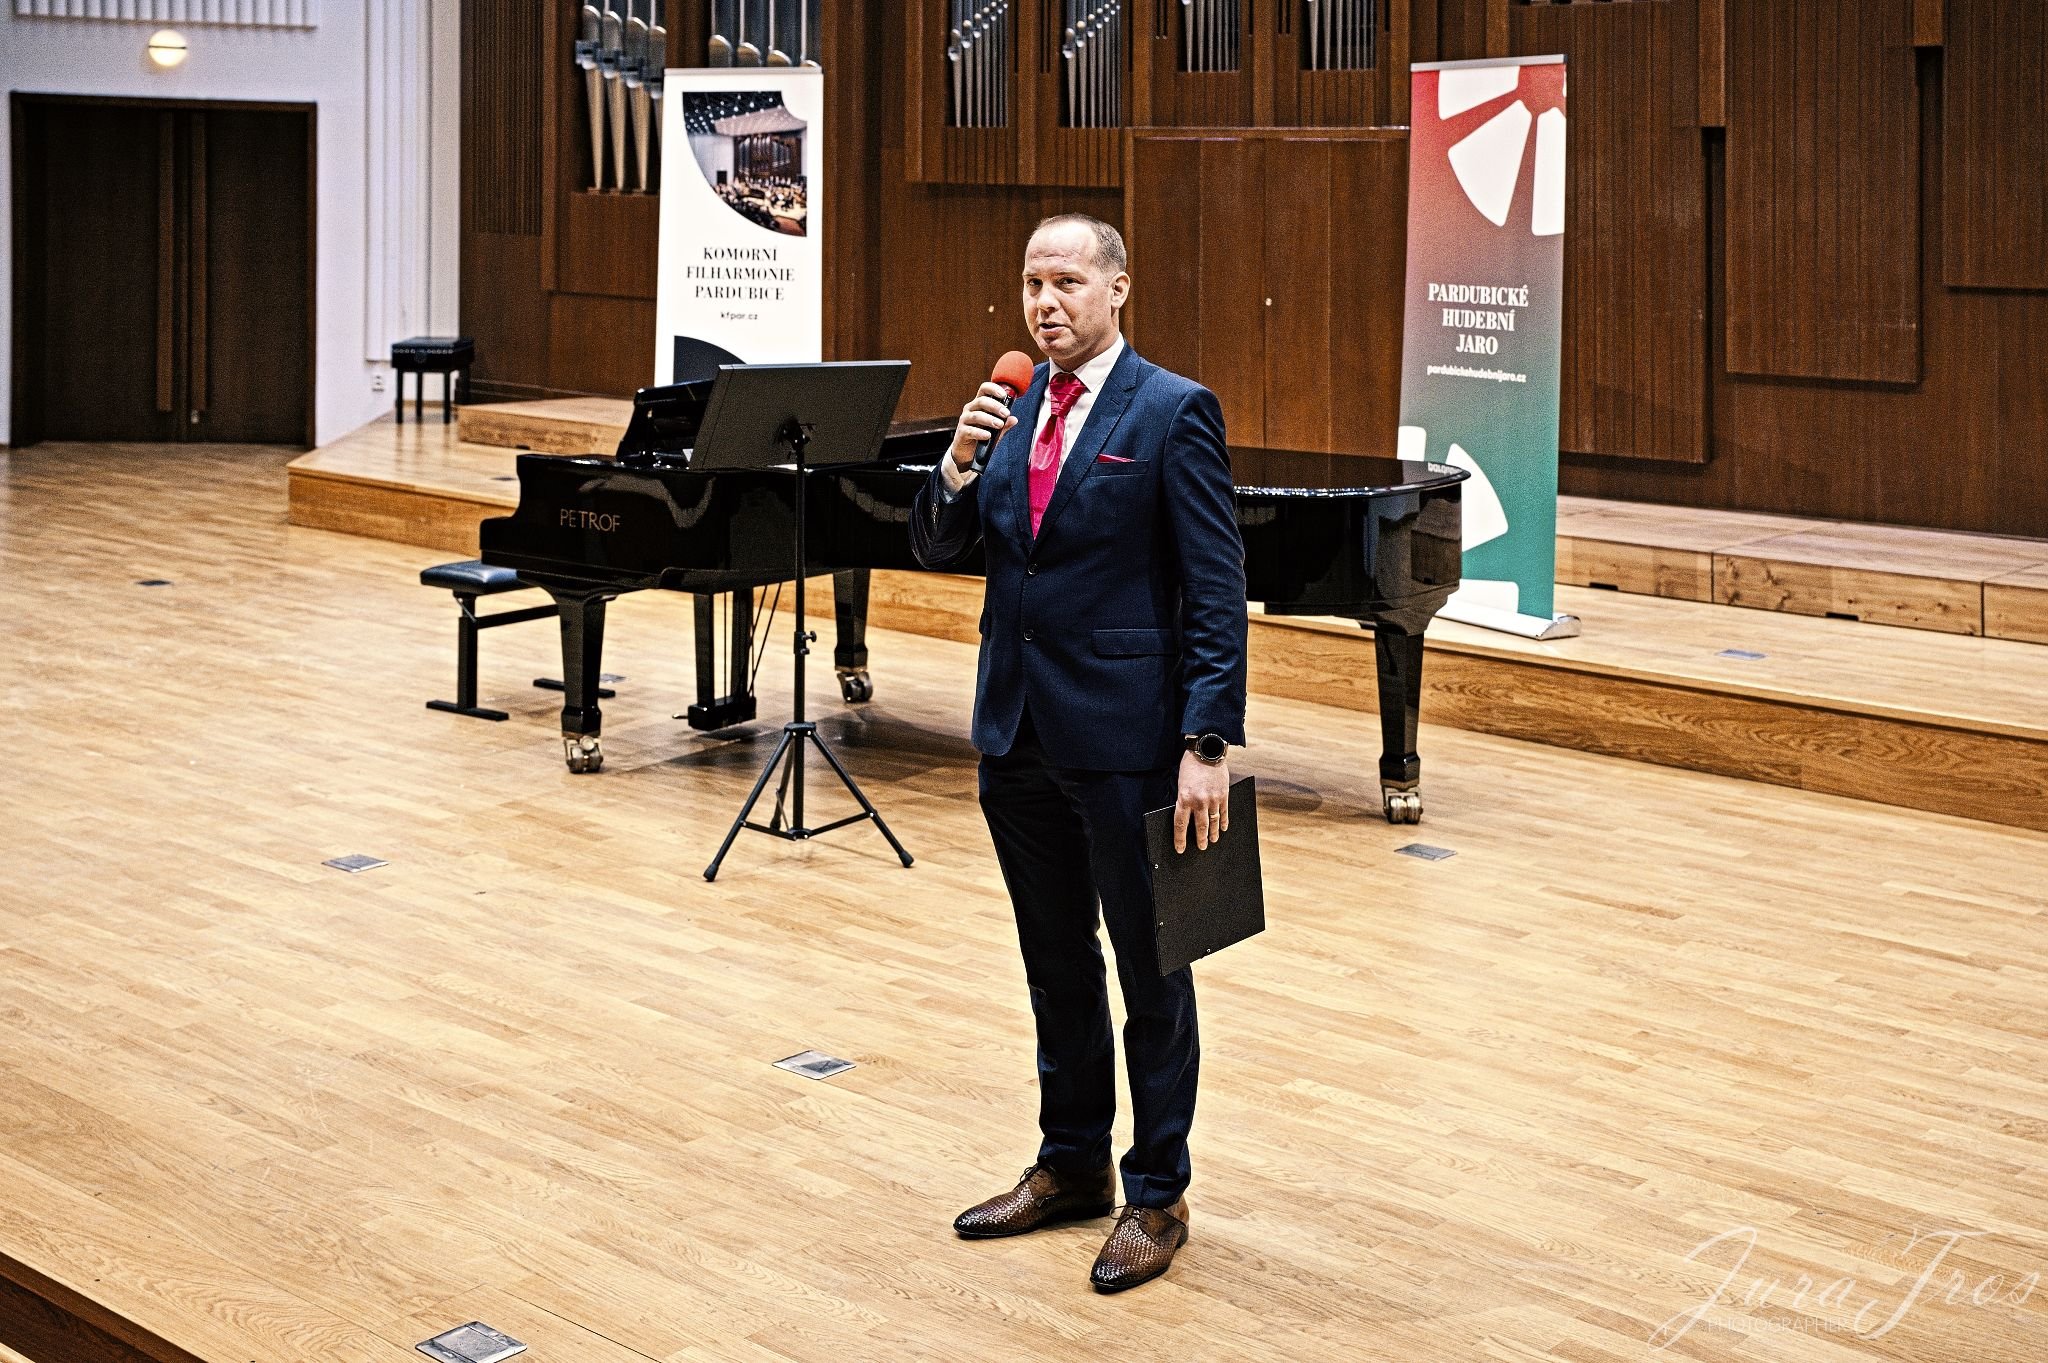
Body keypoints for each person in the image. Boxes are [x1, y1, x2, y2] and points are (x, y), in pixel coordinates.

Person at [910, 213, 1248, 1293]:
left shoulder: (1172, 410)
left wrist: (1205, 742)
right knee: (1054, 961)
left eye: (1065, 281)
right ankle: (1070, 1165)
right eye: (1030, 283)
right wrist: (957, 462)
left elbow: (1215, 591)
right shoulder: (1006, 410)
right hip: (1016, 732)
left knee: (1153, 970)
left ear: (1117, 288)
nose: (1044, 302)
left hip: (1129, 739)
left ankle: (1157, 1192)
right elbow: (938, 543)